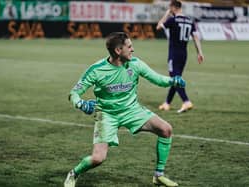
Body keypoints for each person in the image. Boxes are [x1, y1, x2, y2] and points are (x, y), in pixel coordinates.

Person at [65, 32, 185, 187]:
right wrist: (80, 104)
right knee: (98, 158)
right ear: (118, 51)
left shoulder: (135, 64)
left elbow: (157, 79)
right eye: (129, 47)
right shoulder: (97, 70)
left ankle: (158, 175)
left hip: (132, 110)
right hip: (107, 115)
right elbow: (74, 93)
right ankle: (74, 173)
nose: (133, 49)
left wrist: (173, 80)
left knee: (166, 129)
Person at [156, 0, 204, 113]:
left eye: (170, 8)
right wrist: (199, 52)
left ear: (173, 7)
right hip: (184, 54)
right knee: (176, 78)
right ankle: (167, 103)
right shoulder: (189, 21)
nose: (169, 10)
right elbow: (196, 37)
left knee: (174, 78)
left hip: (174, 54)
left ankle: (186, 101)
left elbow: (158, 27)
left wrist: (167, 14)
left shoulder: (173, 20)